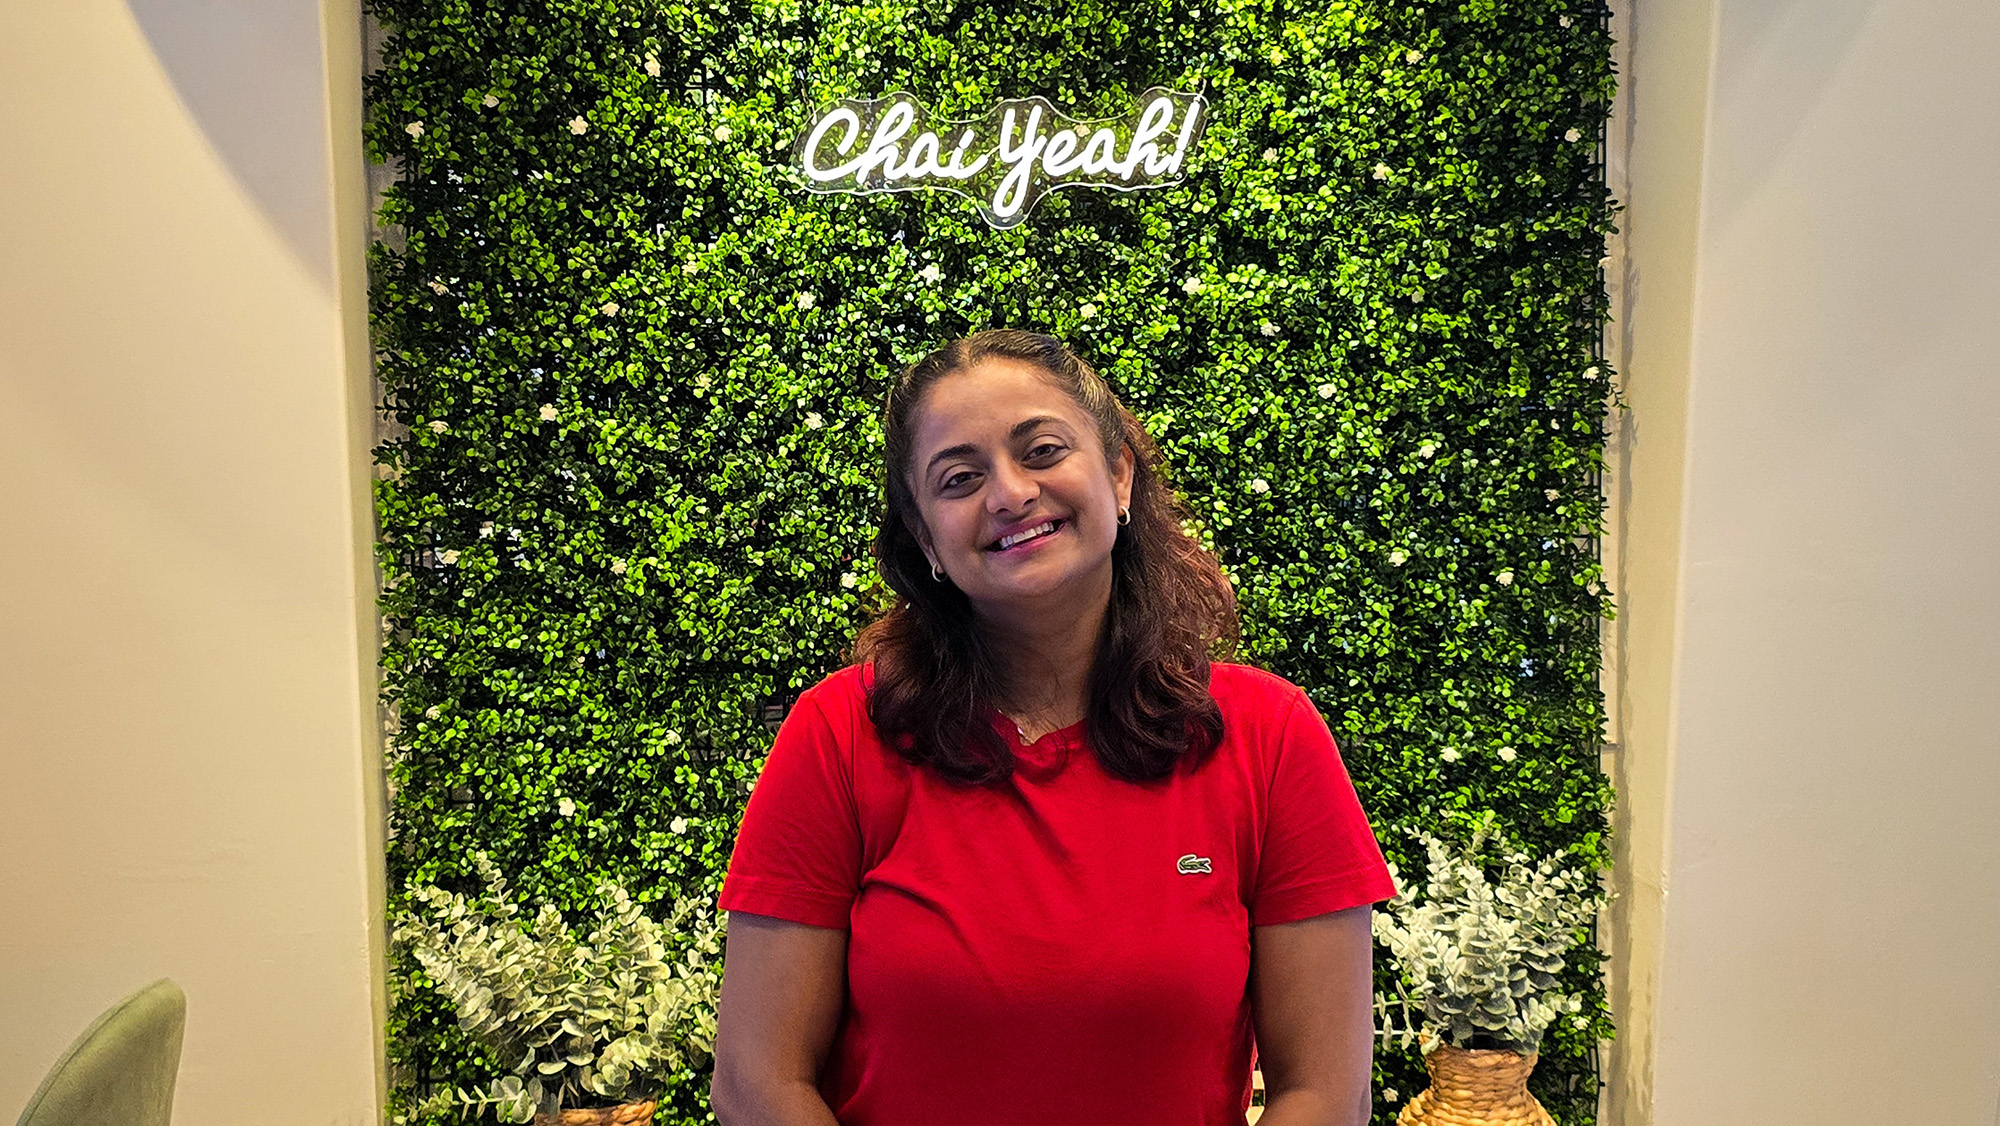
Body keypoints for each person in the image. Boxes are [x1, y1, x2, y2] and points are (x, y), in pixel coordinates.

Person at [710, 330, 1396, 1126]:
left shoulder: (1269, 735)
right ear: (927, 538)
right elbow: (757, 1085)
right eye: (959, 478)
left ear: (1119, 473)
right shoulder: (838, 734)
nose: (1008, 493)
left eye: (1041, 449)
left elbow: (1325, 1094)